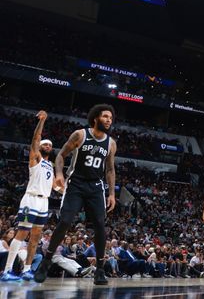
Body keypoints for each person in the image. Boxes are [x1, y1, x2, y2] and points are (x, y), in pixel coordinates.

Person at [35, 104, 117, 285]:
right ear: (95, 118)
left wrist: (111, 193)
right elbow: (61, 155)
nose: (108, 120)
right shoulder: (80, 134)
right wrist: (59, 174)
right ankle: (46, 261)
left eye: (110, 118)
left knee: (100, 226)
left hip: (96, 187)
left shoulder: (111, 143)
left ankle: (100, 270)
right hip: (76, 184)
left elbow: (110, 169)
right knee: (65, 221)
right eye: (105, 117)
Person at [1, 111, 54, 282]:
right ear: (39, 148)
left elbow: (55, 185)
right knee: (22, 233)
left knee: (36, 238)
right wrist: (42, 122)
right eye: (45, 144)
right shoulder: (35, 159)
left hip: (44, 202)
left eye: (50, 145)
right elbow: (35, 139)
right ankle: (7, 270)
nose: (48, 146)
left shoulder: (50, 165)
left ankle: (27, 269)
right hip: (30, 199)